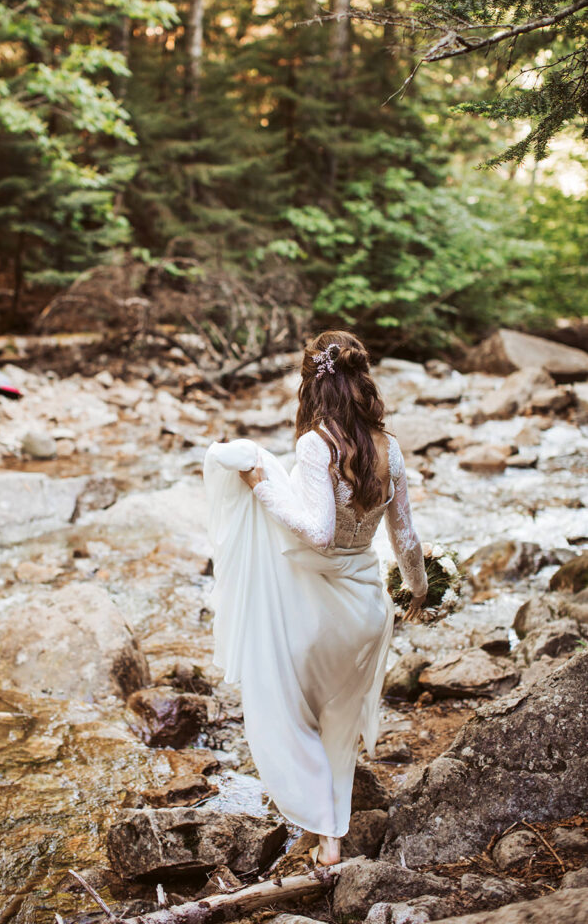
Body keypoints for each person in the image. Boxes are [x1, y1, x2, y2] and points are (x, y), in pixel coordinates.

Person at [203, 330, 428, 867]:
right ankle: (329, 829)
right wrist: (419, 590)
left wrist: (261, 484)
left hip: (317, 613)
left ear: (313, 386)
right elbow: (409, 541)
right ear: (363, 382)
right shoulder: (389, 448)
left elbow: (319, 533)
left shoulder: (315, 444)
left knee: (288, 708)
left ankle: (325, 835)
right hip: (368, 612)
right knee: (338, 718)